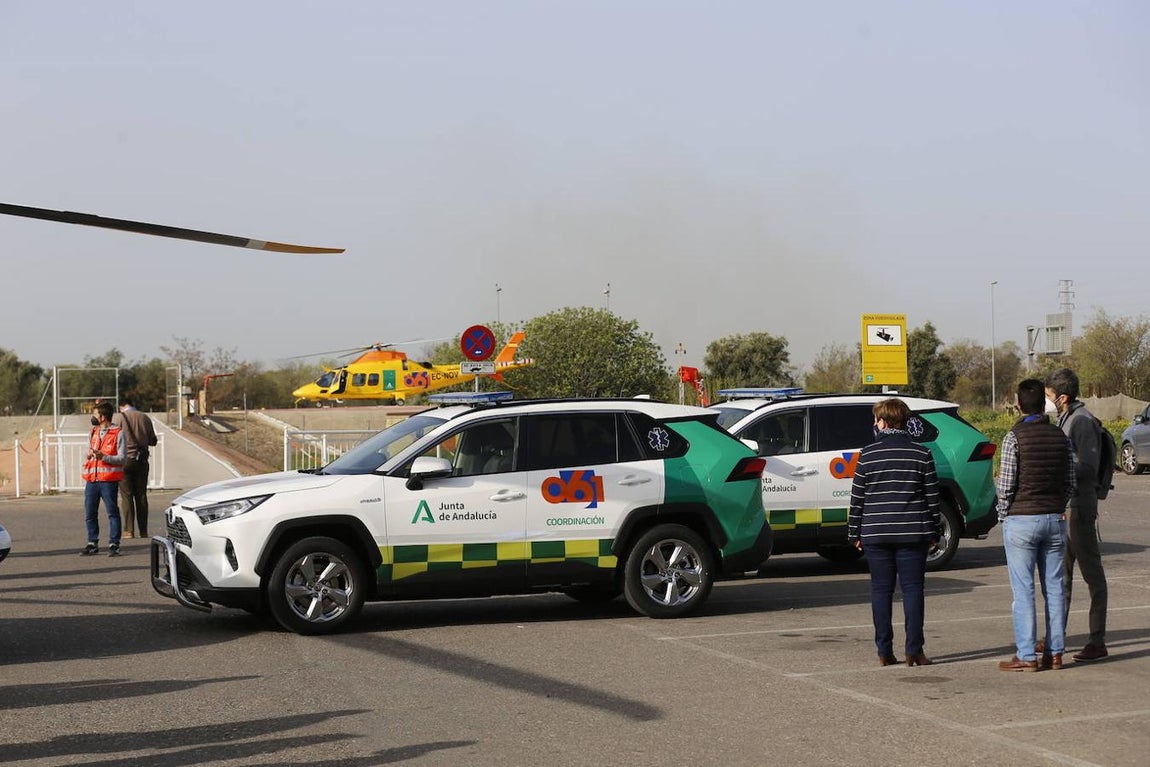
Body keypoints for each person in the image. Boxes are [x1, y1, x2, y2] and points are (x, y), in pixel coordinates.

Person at [848, 398, 942, 667]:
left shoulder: (867, 454)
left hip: (876, 532)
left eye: (876, 419)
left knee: (881, 591)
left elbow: (858, 499)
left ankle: (884, 651)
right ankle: (914, 650)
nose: (874, 424)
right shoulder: (922, 454)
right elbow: (932, 498)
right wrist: (934, 531)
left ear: (885, 422)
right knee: (913, 591)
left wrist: (854, 533)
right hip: (913, 532)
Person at [995, 379, 1076, 672]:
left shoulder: (1013, 437)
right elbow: (1070, 482)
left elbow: (1005, 486)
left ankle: (1027, 655)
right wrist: (1057, 506)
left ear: (1018, 404)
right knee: (1054, 588)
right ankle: (1055, 653)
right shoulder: (1060, 437)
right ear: (1045, 404)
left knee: (1024, 590)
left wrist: (1004, 514)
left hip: (1022, 520)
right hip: (1055, 519)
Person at [1045, 367, 1110, 662]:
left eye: (1049, 396)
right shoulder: (1066, 418)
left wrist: (1057, 468)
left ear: (1063, 397)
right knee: (1061, 577)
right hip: (1066, 507)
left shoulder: (1081, 422)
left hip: (1079, 508)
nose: (1047, 401)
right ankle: (1054, 638)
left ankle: (1097, 640)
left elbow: (1088, 466)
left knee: (1093, 576)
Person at [82, 400, 126, 556]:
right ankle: (92, 542)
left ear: (103, 416)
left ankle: (114, 544)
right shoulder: (93, 432)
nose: (92, 417)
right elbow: (89, 452)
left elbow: (122, 458)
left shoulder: (118, 433)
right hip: (92, 480)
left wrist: (104, 457)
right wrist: (88, 455)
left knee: (112, 512)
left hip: (108, 480)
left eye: (95, 414)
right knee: (90, 513)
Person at [113, 399, 158, 539]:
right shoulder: (145, 417)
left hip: (125, 461)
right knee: (141, 496)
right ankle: (143, 530)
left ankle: (128, 530)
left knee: (126, 496)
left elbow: (113, 438)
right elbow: (153, 441)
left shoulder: (118, 418)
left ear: (121, 406)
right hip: (142, 461)